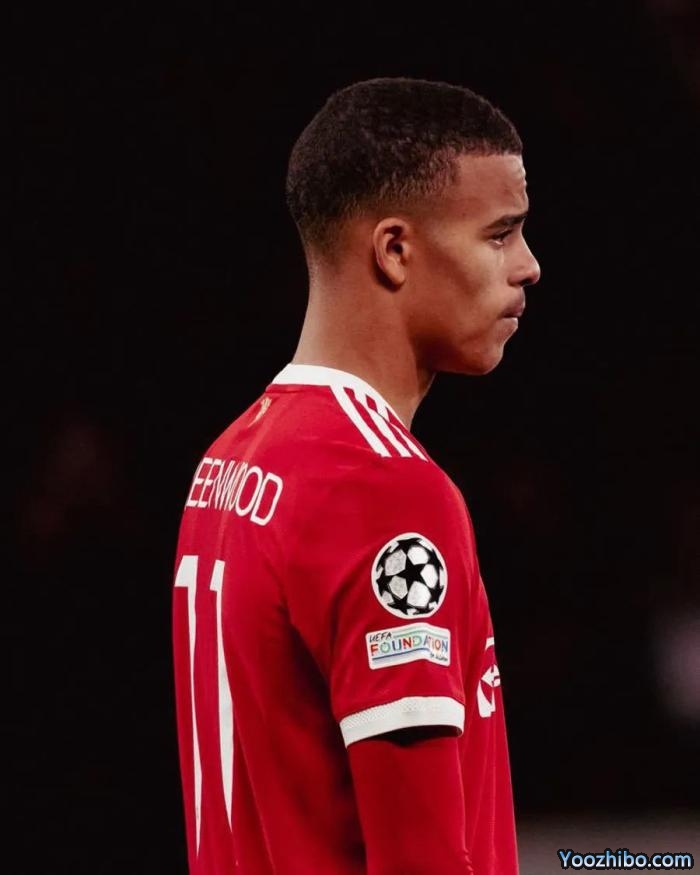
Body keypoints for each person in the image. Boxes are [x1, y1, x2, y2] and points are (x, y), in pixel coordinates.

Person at [172, 77, 541, 875]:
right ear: (395, 249)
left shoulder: (228, 461)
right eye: (501, 234)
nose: (529, 267)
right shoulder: (383, 490)